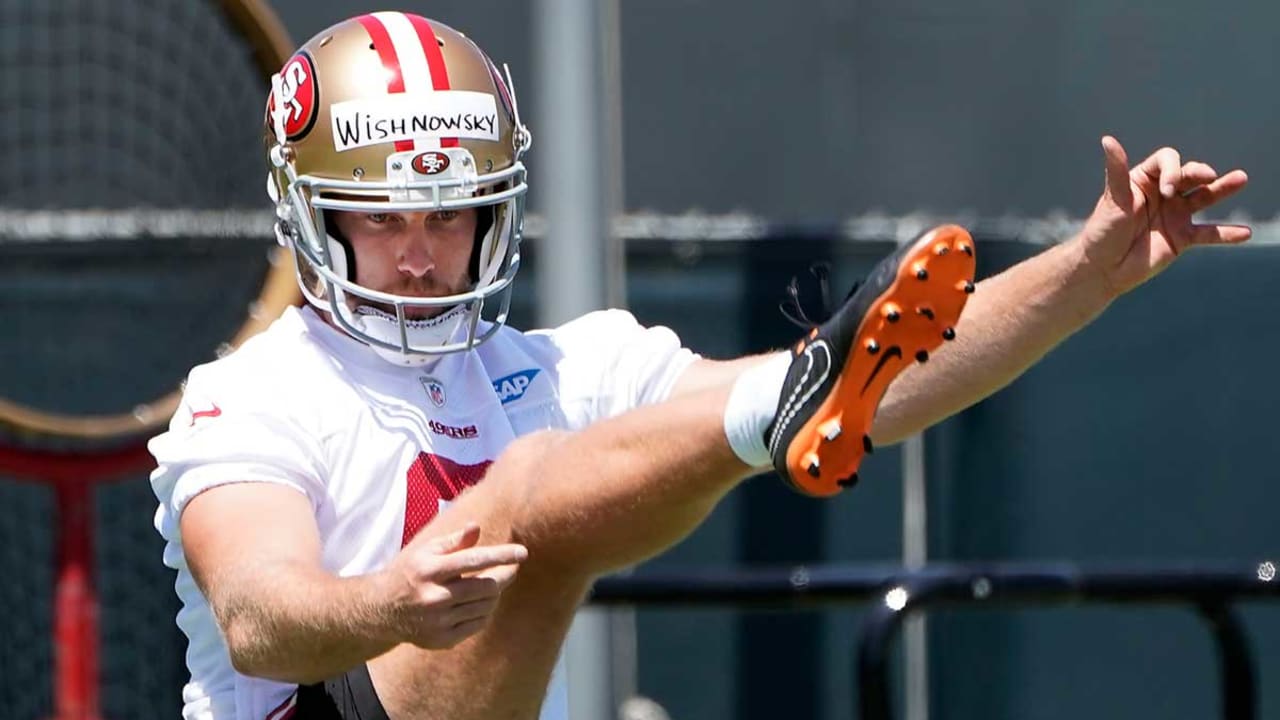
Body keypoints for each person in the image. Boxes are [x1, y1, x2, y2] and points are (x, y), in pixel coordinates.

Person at [148, 10, 1250, 720]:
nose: (423, 252)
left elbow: (888, 383)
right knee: (529, 492)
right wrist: (386, 598)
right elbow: (259, 613)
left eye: (452, 212)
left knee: (709, 417)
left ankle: (776, 404)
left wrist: (1088, 270)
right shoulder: (246, 393)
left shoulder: (565, 364)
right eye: (383, 219)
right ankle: (773, 408)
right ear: (309, 219)